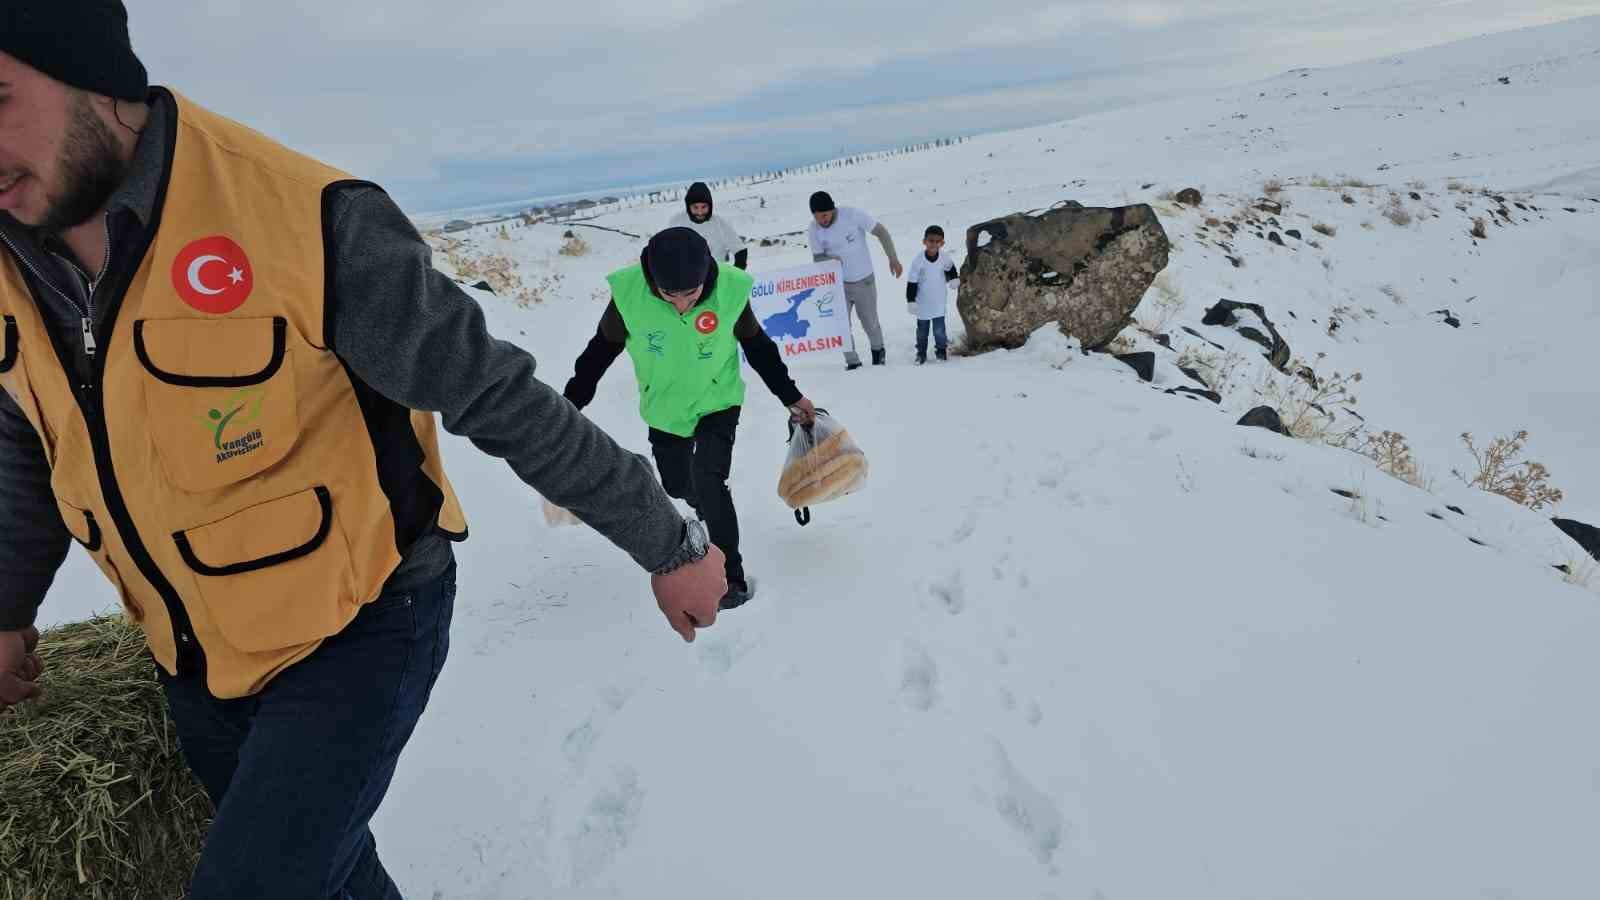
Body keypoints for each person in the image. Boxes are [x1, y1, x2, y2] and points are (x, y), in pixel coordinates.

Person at [0, 4, 726, 897]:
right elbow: (28, 435)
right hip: (194, 657)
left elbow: (495, 394)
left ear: (95, 78)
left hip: (361, 623)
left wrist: (670, 542)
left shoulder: (304, 221)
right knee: (331, 879)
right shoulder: (9, 260)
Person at [563, 227, 817, 610]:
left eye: (691, 295)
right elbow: (599, 353)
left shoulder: (729, 291)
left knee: (709, 478)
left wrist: (791, 397)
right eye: (670, 296)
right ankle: (703, 504)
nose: (682, 304)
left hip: (718, 400)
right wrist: (570, 404)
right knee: (678, 483)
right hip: (664, 408)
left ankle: (730, 575)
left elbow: (759, 348)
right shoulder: (629, 296)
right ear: (653, 281)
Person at [806, 191, 903, 370]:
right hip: (838, 284)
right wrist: (831, 259)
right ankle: (852, 361)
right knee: (841, 324)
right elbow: (817, 259)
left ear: (832, 209)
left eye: (825, 215)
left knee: (869, 321)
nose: (822, 221)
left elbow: (881, 232)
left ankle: (878, 353)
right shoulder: (814, 229)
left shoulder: (851, 215)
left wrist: (893, 257)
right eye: (818, 217)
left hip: (863, 280)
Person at [905, 225, 959, 364]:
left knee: (939, 331)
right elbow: (912, 282)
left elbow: (951, 267)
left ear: (942, 243)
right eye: (931, 240)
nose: (934, 244)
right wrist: (911, 300)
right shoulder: (918, 261)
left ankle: (941, 351)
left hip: (939, 302)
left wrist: (954, 278)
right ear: (924, 241)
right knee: (922, 332)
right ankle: (921, 353)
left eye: (937, 241)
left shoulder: (944, 257)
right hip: (922, 303)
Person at [667, 181, 747, 270]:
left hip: (716, 275)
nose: (700, 212)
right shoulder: (677, 222)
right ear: (688, 206)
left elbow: (740, 250)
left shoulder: (720, 223)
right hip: (686, 278)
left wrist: (736, 276)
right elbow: (668, 251)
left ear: (710, 206)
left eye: (704, 207)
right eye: (695, 207)